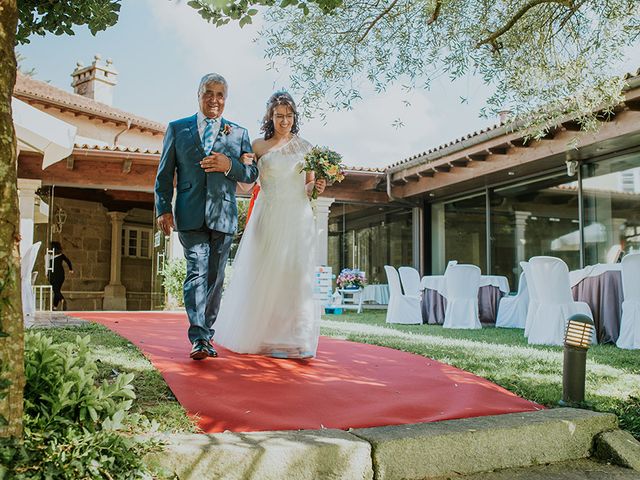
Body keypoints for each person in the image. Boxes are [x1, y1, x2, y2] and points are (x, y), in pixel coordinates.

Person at [154, 73, 259, 361]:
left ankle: (206, 333)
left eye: (220, 95)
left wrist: (229, 165)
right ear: (199, 94)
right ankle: (199, 338)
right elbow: (164, 175)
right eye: (208, 93)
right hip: (189, 213)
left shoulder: (238, 133)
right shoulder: (177, 129)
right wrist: (163, 208)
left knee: (215, 277)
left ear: (226, 98)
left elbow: (251, 173)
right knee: (196, 272)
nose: (214, 99)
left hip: (223, 215)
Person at [214, 91, 326, 359]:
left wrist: (317, 187)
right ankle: (263, 336)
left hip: (298, 217)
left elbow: (309, 186)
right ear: (270, 117)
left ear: (294, 117)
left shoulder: (305, 147)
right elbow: (246, 183)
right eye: (279, 116)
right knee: (265, 272)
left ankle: (295, 339)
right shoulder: (258, 146)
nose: (284, 120)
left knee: (295, 275)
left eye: (289, 116)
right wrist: (235, 165)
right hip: (268, 213)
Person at [47, 241, 73, 310]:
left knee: (56, 290)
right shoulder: (61, 255)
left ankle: (62, 299)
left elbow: (47, 266)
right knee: (57, 290)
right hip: (61, 275)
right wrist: (70, 269)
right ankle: (55, 307)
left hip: (53, 275)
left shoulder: (49, 256)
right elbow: (68, 261)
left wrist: (46, 273)